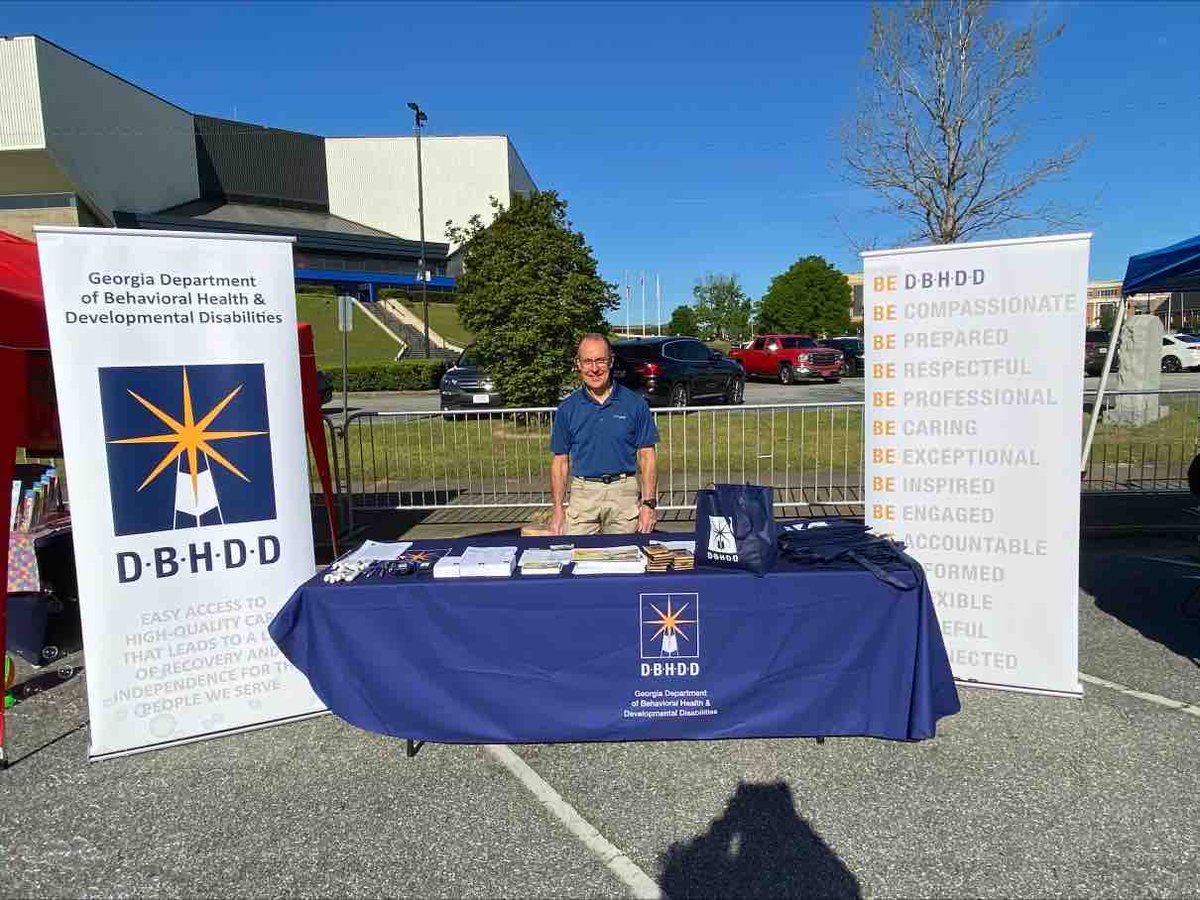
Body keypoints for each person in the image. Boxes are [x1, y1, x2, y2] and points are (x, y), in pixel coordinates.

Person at [549, 333, 659, 535]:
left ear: (611, 362)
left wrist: (648, 504)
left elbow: (647, 456)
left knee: (624, 561)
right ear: (578, 364)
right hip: (583, 496)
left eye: (600, 360)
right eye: (587, 361)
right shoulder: (567, 409)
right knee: (578, 560)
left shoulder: (635, 404)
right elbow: (560, 462)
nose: (594, 368)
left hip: (623, 494)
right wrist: (557, 509)